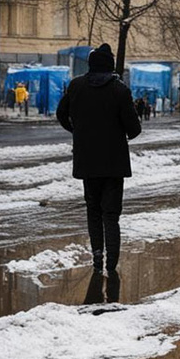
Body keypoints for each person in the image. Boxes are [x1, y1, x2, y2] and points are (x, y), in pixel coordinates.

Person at [57, 43, 142, 274]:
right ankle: (111, 263)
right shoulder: (120, 90)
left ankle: (97, 257)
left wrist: (77, 131)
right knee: (111, 215)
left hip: (87, 161)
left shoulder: (76, 87)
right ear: (111, 65)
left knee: (93, 211)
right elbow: (134, 130)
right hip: (114, 164)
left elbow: (61, 114)